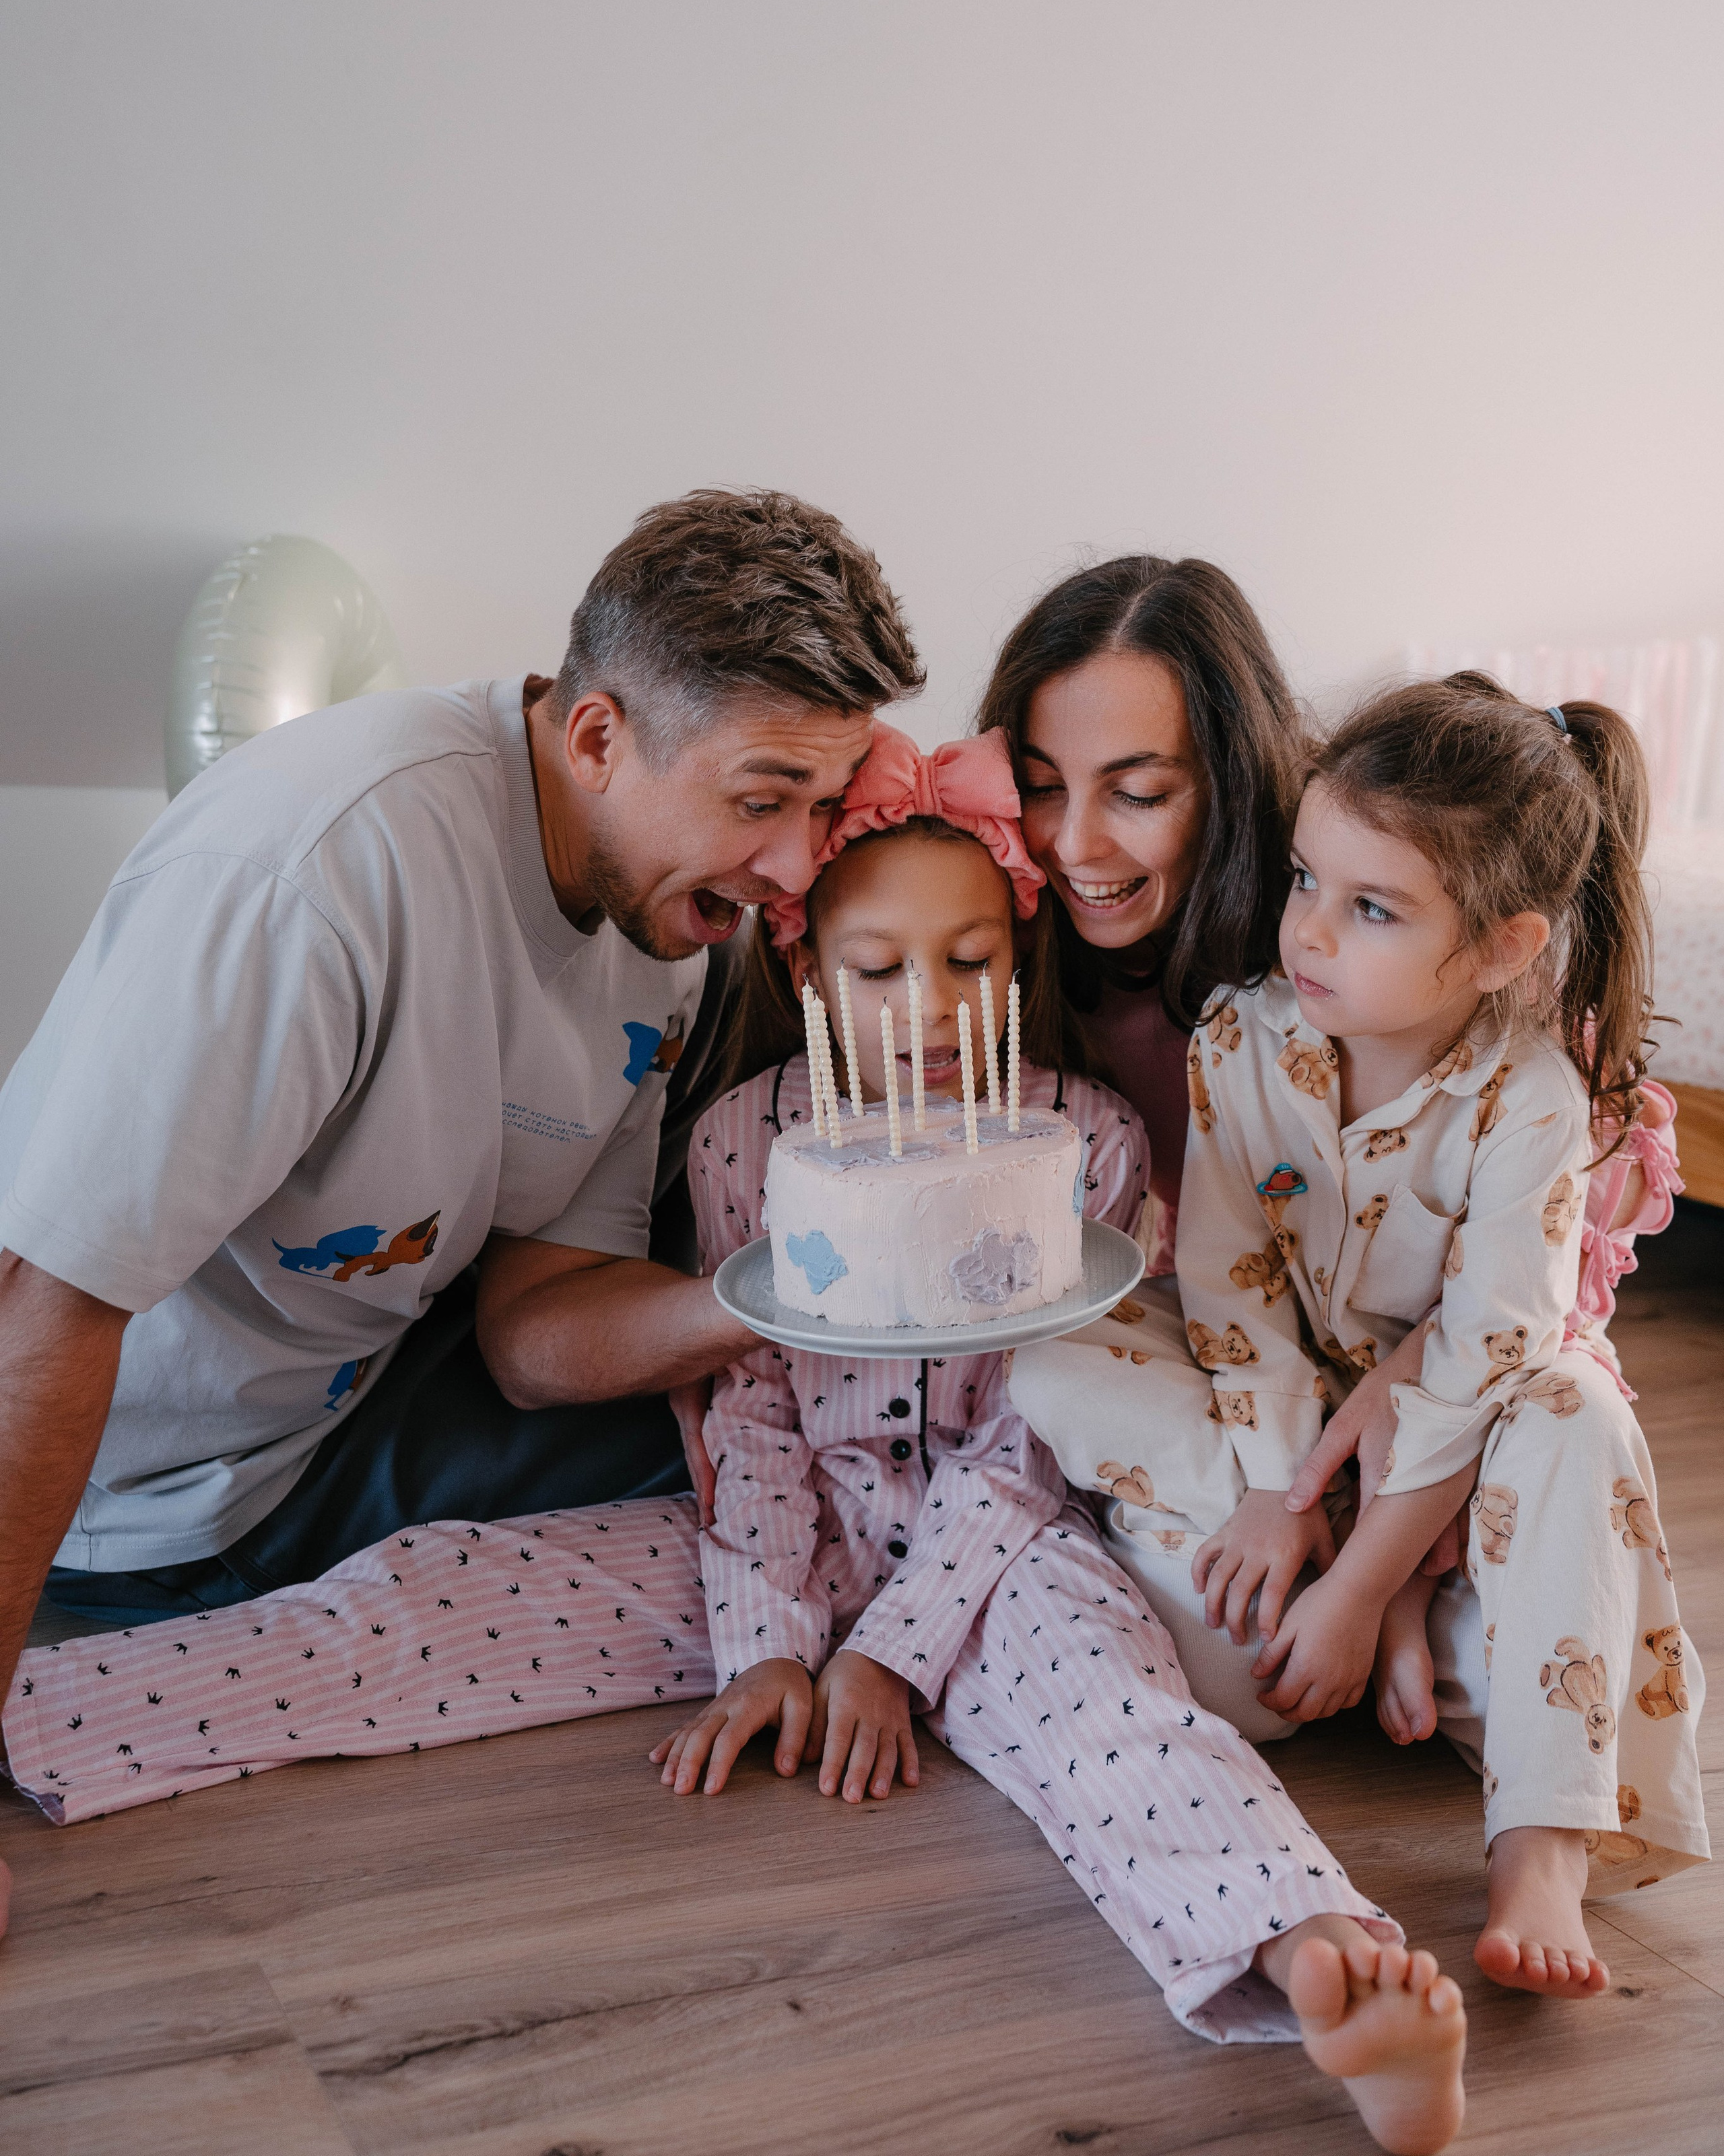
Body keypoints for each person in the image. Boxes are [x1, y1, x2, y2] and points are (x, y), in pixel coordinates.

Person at [7, 725, 1469, 2155]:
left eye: (969, 963)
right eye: (879, 969)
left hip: (1002, 1551)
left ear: (1014, 958)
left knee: (1121, 1719)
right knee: (438, 1591)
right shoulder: (741, 1141)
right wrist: (768, 1636)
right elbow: (744, 1408)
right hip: (773, 1525)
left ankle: (1309, 1952)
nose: (931, 1008)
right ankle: (35, 1719)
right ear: (805, 968)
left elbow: (1042, 1434)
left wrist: (894, 1651)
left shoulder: (1078, 1143)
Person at [0, 485, 923, 1935]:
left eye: (820, 804)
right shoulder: (316, 871)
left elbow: (537, 1321)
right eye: (762, 803)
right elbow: (44, 1301)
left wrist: (779, 1295)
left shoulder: (661, 907)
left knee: (830, 1452)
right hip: (139, 1505)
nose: (797, 867)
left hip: (348, 1404)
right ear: (599, 737)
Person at [1011, 675, 1709, 2006]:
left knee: (1571, 1408)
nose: (1308, 933)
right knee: (1057, 1351)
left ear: (1503, 948)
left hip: (1467, 1436)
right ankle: (1392, 1654)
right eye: (1301, 882)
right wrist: (1284, 1501)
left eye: (1370, 908)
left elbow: (1480, 1365)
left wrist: (1362, 1584)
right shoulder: (1240, 1040)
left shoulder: (1532, 1101)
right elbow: (1230, 1293)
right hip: (1291, 1437)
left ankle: (1537, 1844)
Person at [978, 556, 1301, 1270]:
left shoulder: (1336, 938)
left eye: (1140, 793)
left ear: (1233, 785)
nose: (1073, 845)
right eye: (1041, 785)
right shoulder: (1001, 958)